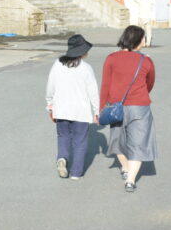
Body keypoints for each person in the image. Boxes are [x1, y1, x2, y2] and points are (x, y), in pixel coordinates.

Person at [100, 25, 156, 193]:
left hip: (116, 106)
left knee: (118, 141)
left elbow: (105, 85)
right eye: (143, 39)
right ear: (138, 41)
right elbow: (150, 83)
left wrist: (102, 108)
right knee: (138, 143)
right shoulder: (146, 61)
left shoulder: (111, 58)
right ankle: (130, 180)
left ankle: (125, 168)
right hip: (139, 106)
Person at [45, 34, 99, 181]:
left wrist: (50, 105)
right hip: (80, 111)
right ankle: (76, 173)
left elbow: (51, 87)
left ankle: (62, 158)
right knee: (80, 141)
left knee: (63, 136)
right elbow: (93, 92)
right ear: (82, 51)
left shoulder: (57, 64)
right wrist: (96, 111)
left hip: (61, 109)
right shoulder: (87, 68)